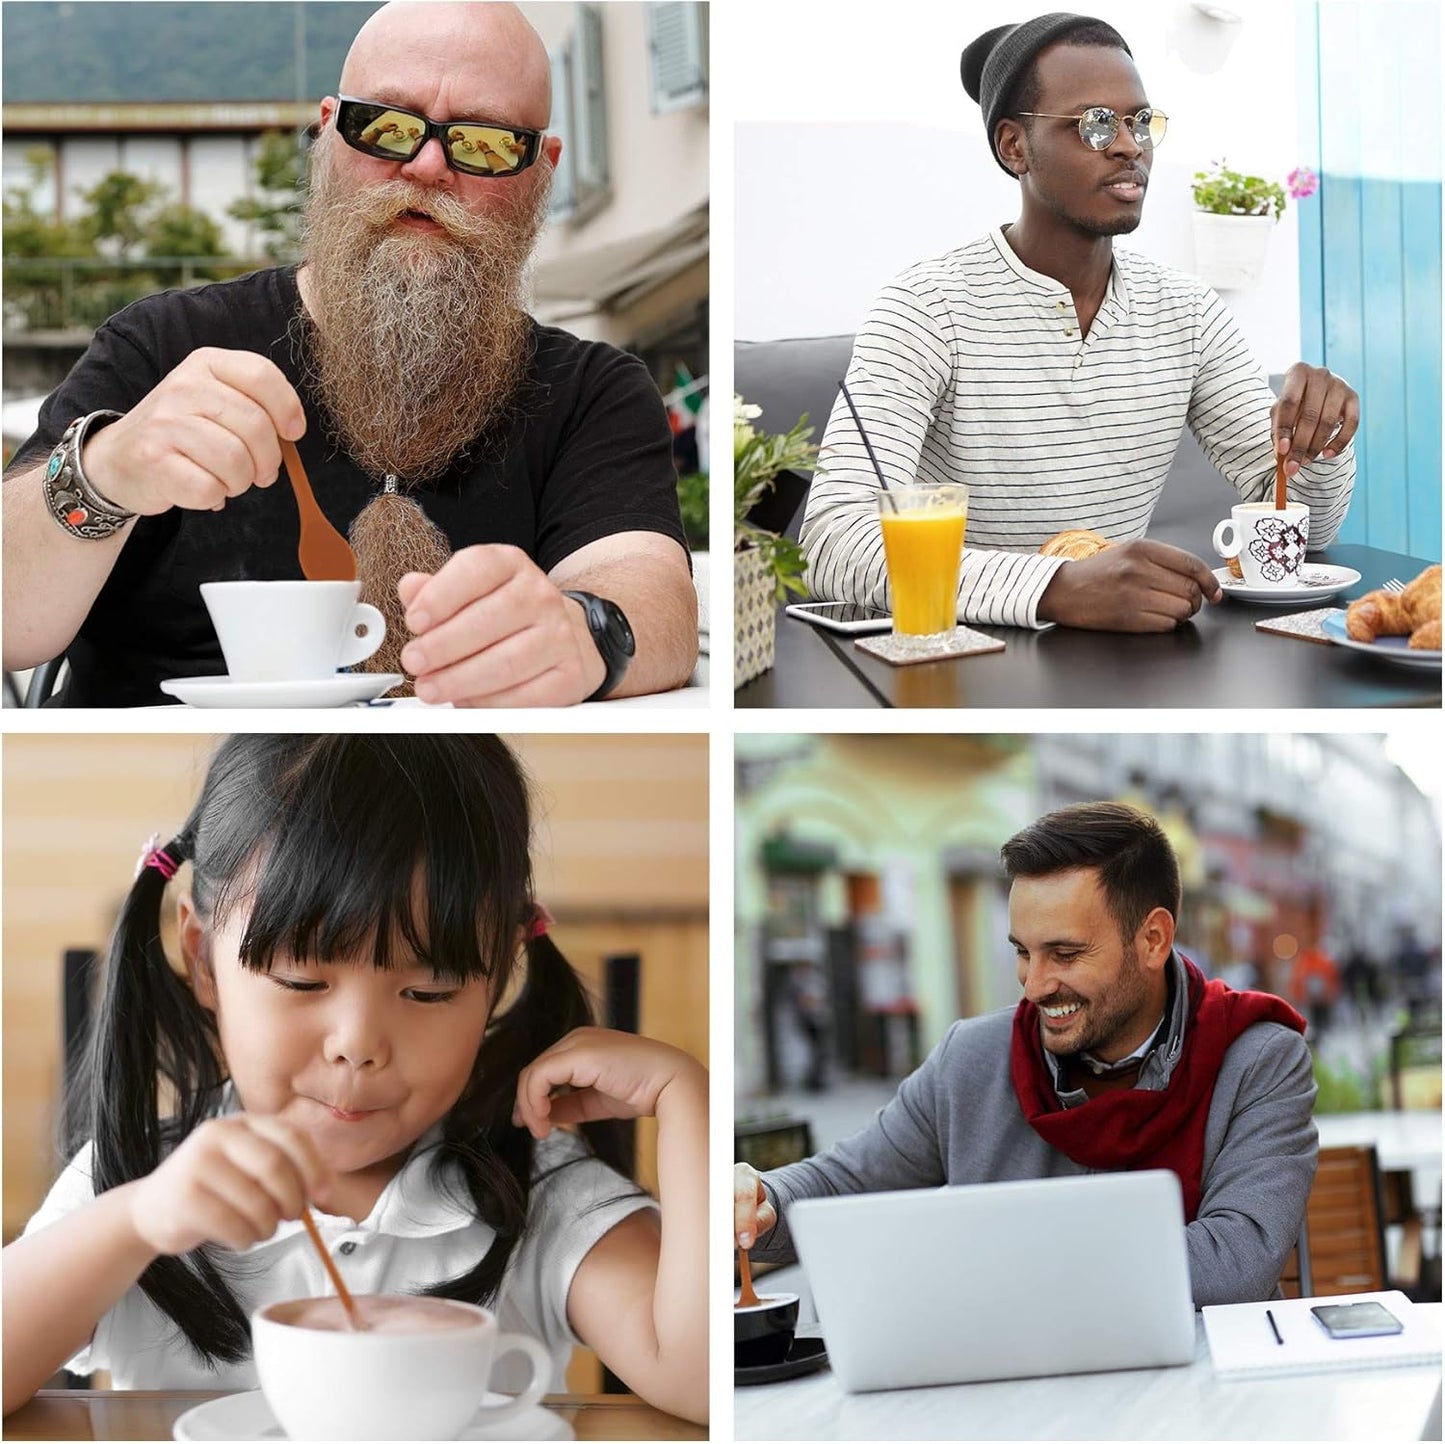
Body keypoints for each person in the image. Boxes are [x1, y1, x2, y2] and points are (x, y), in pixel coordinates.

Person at [2, 2, 697, 706]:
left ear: (542, 169)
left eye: (483, 143)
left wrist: (584, 633)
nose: (427, 166)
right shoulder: (162, 345)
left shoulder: (590, 391)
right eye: (387, 127)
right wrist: (104, 473)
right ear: (329, 135)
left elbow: (649, 591)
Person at [2, 735, 707, 1423]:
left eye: (427, 993)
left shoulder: (540, 1191)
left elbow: (699, 1381)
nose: (358, 1046)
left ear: (498, 978)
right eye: (302, 981)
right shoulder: (133, 1185)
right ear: (203, 958)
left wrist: (687, 1101)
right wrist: (134, 1222)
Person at [801, 12, 1357, 633]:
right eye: (1094, 124)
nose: (1128, 146)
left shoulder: (1189, 313)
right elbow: (831, 541)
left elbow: (1306, 526)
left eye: (1140, 122)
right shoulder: (925, 307)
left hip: (1130, 663)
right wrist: (1058, 588)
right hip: (960, 664)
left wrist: (1319, 439)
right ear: (1015, 147)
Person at [733, 802, 1318, 1307]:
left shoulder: (1258, 1059)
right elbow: (845, 1182)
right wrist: (764, 1200)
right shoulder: (971, 1059)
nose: (1034, 986)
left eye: (1064, 954)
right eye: (1022, 952)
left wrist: (994, 1258)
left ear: (1152, 939)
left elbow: (1236, 1260)